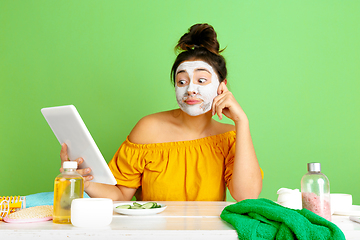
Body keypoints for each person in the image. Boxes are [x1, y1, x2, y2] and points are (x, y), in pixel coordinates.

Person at [60, 23, 262, 202]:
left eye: (201, 80)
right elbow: (121, 195)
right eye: (182, 81)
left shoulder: (228, 138)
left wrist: (242, 122)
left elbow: (247, 195)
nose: (190, 89)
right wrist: (86, 184)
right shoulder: (148, 129)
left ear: (222, 86)